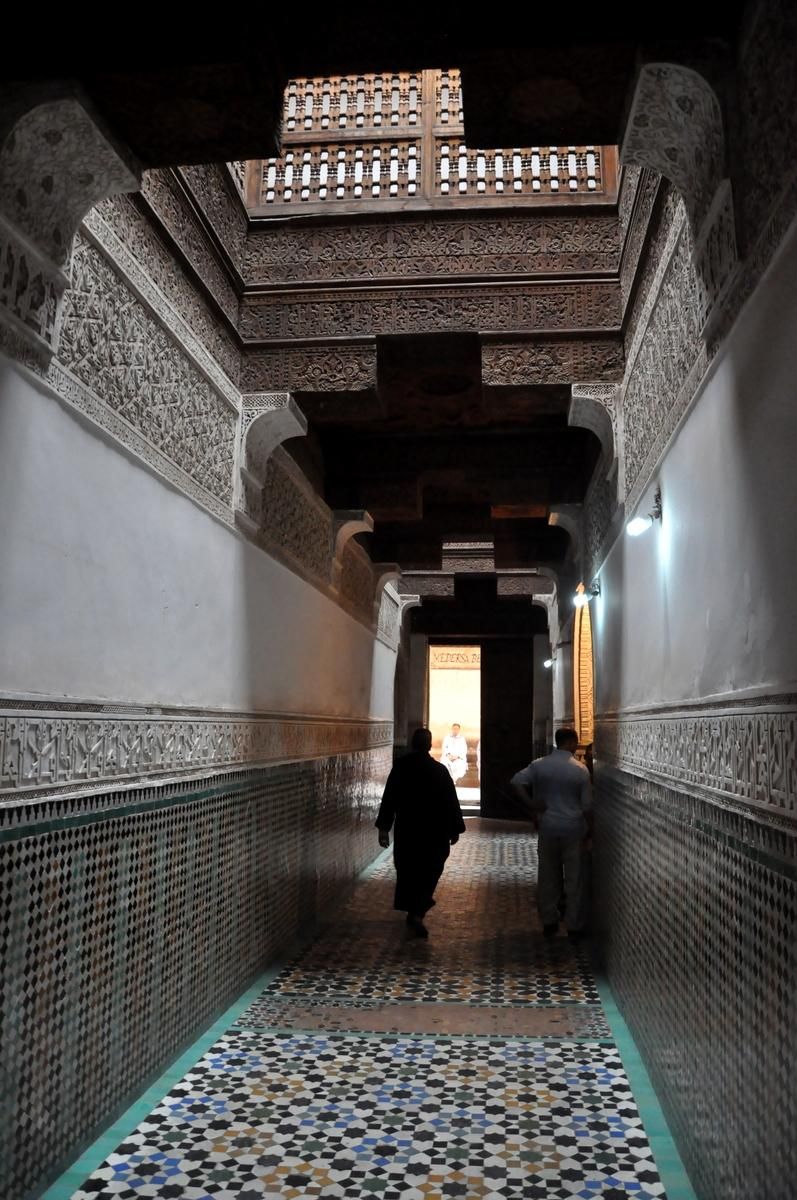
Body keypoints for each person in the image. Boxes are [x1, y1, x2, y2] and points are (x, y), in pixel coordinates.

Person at [376, 726, 466, 938]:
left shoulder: (401, 767)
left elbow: (389, 798)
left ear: (412, 744)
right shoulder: (440, 771)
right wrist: (455, 829)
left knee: (408, 869)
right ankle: (418, 909)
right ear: (429, 745)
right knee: (430, 869)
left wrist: (384, 827)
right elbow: (451, 802)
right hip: (434, 832)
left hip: (408, 829)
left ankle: (414, 908)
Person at [510, 728, 592, 941]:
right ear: (572, 742)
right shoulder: (580, 770)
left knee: (548, 875)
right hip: (573, 828)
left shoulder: (539, 765)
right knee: (574, 878)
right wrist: (590, 831)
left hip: (548, 826)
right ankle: (574, 926)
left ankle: (549, 921)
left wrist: (531, 805)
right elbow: (587, 806)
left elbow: (516, 781)